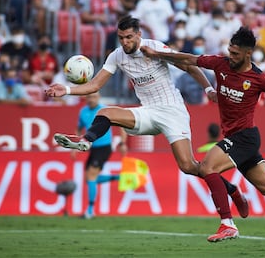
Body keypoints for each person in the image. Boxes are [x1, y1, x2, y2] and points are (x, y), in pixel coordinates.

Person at [140, 27, 265, 250]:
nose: (231, 56)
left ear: (248, 54)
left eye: (236, 53)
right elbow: (189, 59)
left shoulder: (260, 78)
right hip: (235, 138)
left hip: (246, 137)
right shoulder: (220, 63)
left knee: (207, 168)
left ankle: (227, 222)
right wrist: (157, 54)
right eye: (230, 50)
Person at [45, 15, 248, 218]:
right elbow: (95, 85)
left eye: (129, 37)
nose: (125, 42)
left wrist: (208, 89)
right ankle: (86, 140)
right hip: (148, 111)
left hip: (172, 111)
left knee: (189, 166)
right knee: (104, 112)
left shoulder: (154, 48)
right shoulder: (117, 56)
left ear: (139, 35)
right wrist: (67, 90)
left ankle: (232, 190)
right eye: (121, 37)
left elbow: (188, 66)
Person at [73, 92, 125, 219]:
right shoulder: (83, 112)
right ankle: (118, 178)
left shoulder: (105, 111)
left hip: (104, 147)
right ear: (85, 98)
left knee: (91, 176)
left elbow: (122, 126)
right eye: (89, 97)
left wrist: (123, 143)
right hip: (92, 147)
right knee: (89, 178)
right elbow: (79, 128)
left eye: (94, 97)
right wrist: (75, 145)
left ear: (99, 97)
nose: (92, 99)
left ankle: (90, 210)